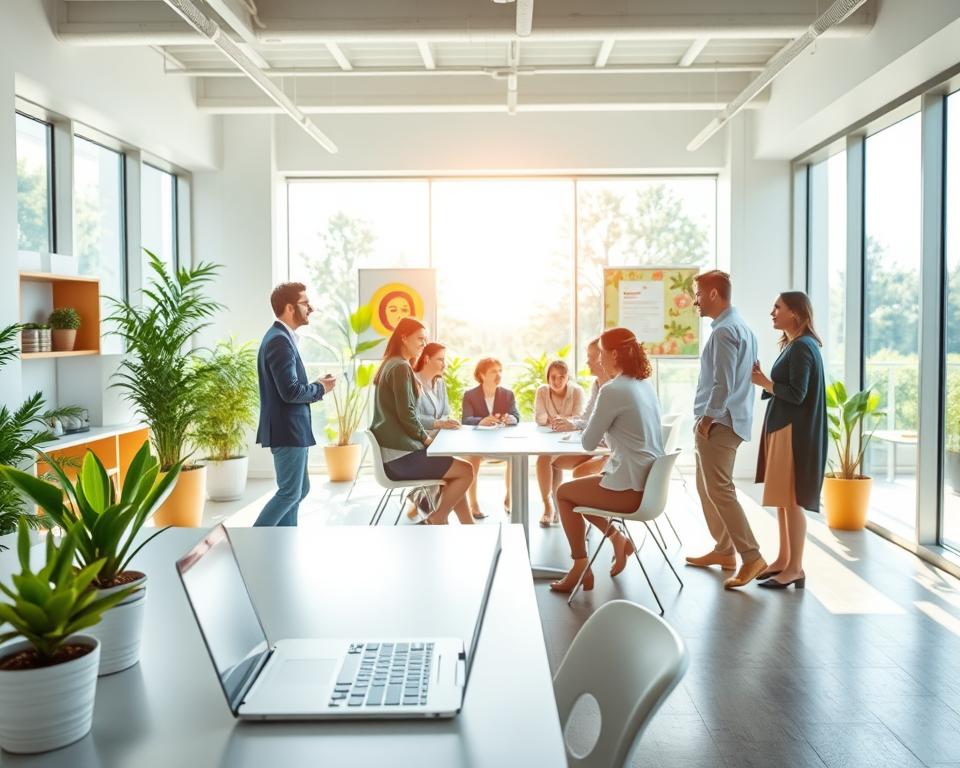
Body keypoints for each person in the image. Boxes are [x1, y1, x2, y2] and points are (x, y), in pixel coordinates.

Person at [550, 328, 664, 593]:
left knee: (564, 494)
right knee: (581, 492)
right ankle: (617, 539)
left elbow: (589, 442)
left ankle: (581, 566)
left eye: (600, 352)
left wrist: (591, 425)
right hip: (649, 485)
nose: (598, 359)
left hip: (631, 489)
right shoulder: (643, 384)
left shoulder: (613, 390)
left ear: (614, 354)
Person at [685, 270, 768, 589]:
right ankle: (724, 550)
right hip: (726, 420)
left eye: (698, 294)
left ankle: (751, 556)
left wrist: (708, 418)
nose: (695, 300)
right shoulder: (741, 327)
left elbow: (723, 382)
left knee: (719, 489)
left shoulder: (724, 332)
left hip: (720, 423)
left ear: (714, 294)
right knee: (707, 487)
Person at [751, 292, 827, 590]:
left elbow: (797, 394)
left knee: (791, 500)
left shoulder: (802, 348)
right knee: (783, 500)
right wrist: (765, 381)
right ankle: (784, 560)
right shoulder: (795, 345)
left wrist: (765, 382)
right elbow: (791, 390)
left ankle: (795, 567)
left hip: (793, 433)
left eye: (777, 307)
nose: (772, 312)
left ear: (795, 313)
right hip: (784, 428)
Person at [370, 318, 475, 525]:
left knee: (454, 475)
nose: (423, 344)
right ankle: (438, 516)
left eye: (425, 339)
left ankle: (467, 526)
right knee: (466, 471)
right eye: (419, 338)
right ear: (404, 337)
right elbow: (407, 414)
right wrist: (426, 440)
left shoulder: (390, 364)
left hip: (395, 454)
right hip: (401, 459)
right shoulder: (400, 367)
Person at [254, 282, 336, 527]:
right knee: (290, 492)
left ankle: (284, 540)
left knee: (299, 490)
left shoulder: (280, 338)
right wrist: (320, 388)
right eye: (305, 303)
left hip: (290, 429)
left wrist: (316, 385)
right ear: (290, 307)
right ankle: (253, 539)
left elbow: (287, 388)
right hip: (287, 430)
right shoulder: (279, 341)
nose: (311, 308)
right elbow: (290, 392)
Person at [461, 357, 520, 518]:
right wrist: (481, 421)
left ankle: (509, 499)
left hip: (501, 444)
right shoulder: (470, 395)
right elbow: (465, 419)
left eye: (500, 371)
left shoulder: (507, 394)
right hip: (478, 446)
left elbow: (516, 416)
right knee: (472, 459)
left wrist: (510, 419)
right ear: (482, 374)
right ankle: (473, 504)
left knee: (515, 458)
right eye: (494, 371)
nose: (498, 374)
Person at [550, 337, 613, 480]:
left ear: (602, 357)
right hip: (598, 445)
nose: (587, 361)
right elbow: (587, 418)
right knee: (555, 460)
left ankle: (572, 499)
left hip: (608, 450)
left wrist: (573, 424)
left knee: (578, 472)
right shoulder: (597, 384)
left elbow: (597, 424)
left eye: (590, 357)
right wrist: (569, 422)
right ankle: (552, 502)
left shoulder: (613, 388)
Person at [533, 360, 584, 526]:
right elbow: (539, 417)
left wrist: (561, 421)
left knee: (550, 460)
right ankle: (548, 505)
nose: (557, 381)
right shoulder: (542, 391)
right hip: (549, 438)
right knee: (543, 457)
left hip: (570, 441)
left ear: (567, 377)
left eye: (561, 377)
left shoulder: (576, 391)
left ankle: (554, 507)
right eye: (553, 377)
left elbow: (579, 418)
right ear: (548, 377)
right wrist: (552, 420)